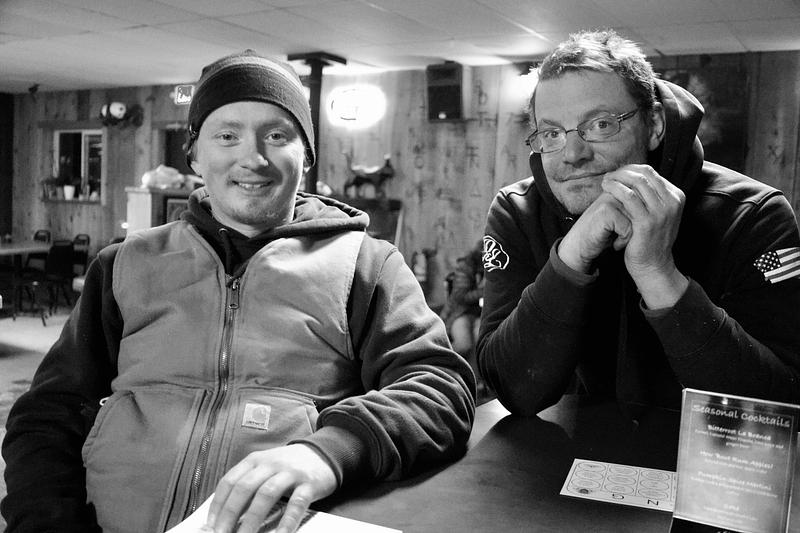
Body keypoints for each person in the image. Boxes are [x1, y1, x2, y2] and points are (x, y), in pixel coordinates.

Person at [1, 50, 475, 533]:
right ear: (194, 155)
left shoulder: (367, 266)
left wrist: (329, 452)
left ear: (306, 155)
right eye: (227, 136)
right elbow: (47, 414)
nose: (253, 158)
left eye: (277, 135)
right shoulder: (123, 264)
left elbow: (441, 390)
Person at [477, 29, 800, 417]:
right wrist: (571, 257)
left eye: (601, 124)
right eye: (551, 133)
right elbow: (513, 390)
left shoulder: (753, 215)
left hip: (702, 454)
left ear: (655, 126)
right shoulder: (518, 212)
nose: (573, 154)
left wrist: (657, 272)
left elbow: (779, 406)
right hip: (564, 449)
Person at [439, 240, 485, 386]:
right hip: (460, 312)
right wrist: (484, 291)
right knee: (464, 344)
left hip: (481, 314)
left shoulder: (495, 268)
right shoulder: (466, 266)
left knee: (480, 340)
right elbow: (460, 296)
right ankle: (438, 365)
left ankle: (473, 383)